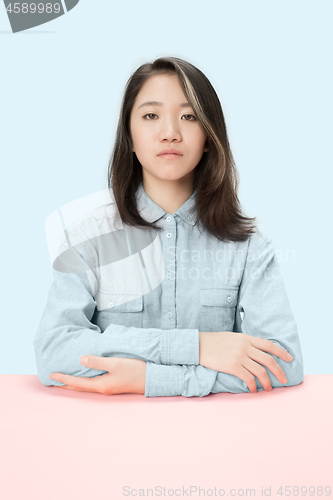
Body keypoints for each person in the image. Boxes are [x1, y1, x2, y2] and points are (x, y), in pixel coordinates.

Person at [33, 56, 304, 397]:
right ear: (129, 136)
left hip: (219, 437)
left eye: (189, 116)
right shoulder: (88, 238)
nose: (170, 133)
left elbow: (285, 364)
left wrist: (148, 379)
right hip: (108, 437)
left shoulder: (250, 247)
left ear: (208, 135)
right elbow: (54, 352)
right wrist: (199, 346)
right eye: (151, 115)